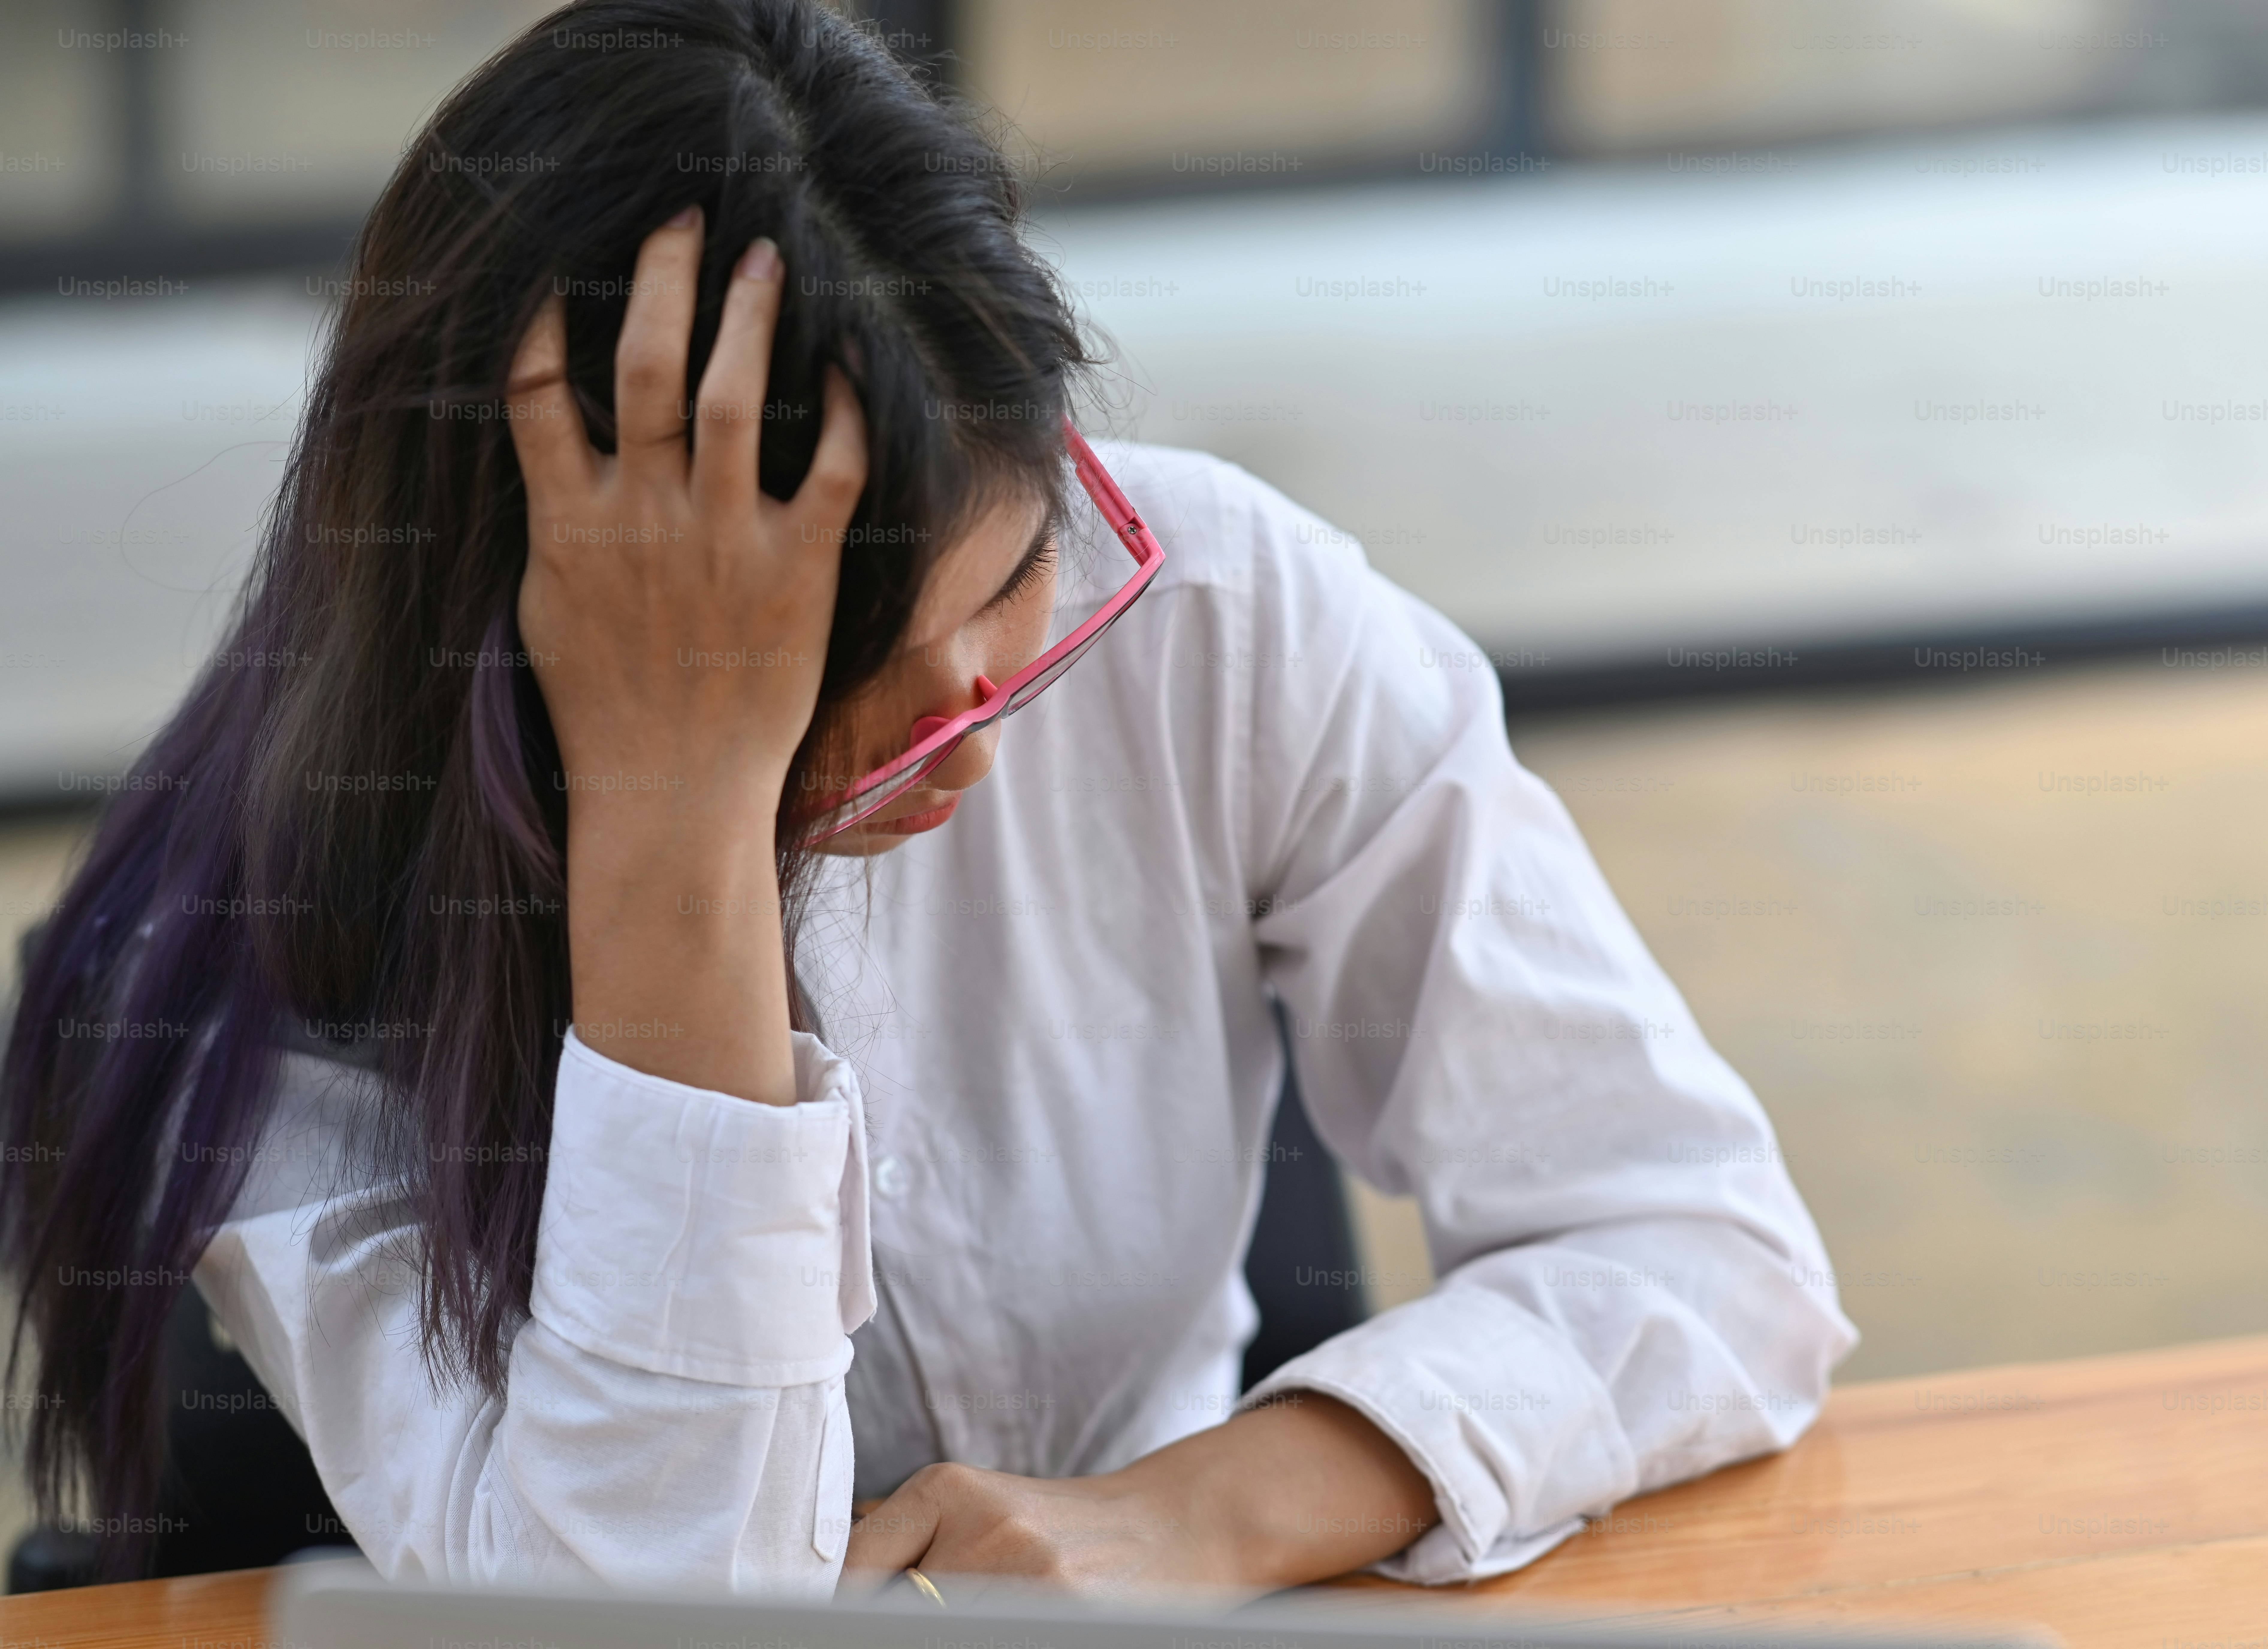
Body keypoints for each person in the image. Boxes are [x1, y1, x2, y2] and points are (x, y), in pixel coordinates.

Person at [0, 0, 1853, 1601]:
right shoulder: (264, 946)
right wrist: (684, 828)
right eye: (845, 709)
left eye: (1014, 604)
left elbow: (1706, 1251)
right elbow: (668, 1617)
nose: (973, 747)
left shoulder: (1212, 610)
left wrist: (1196, 1516)